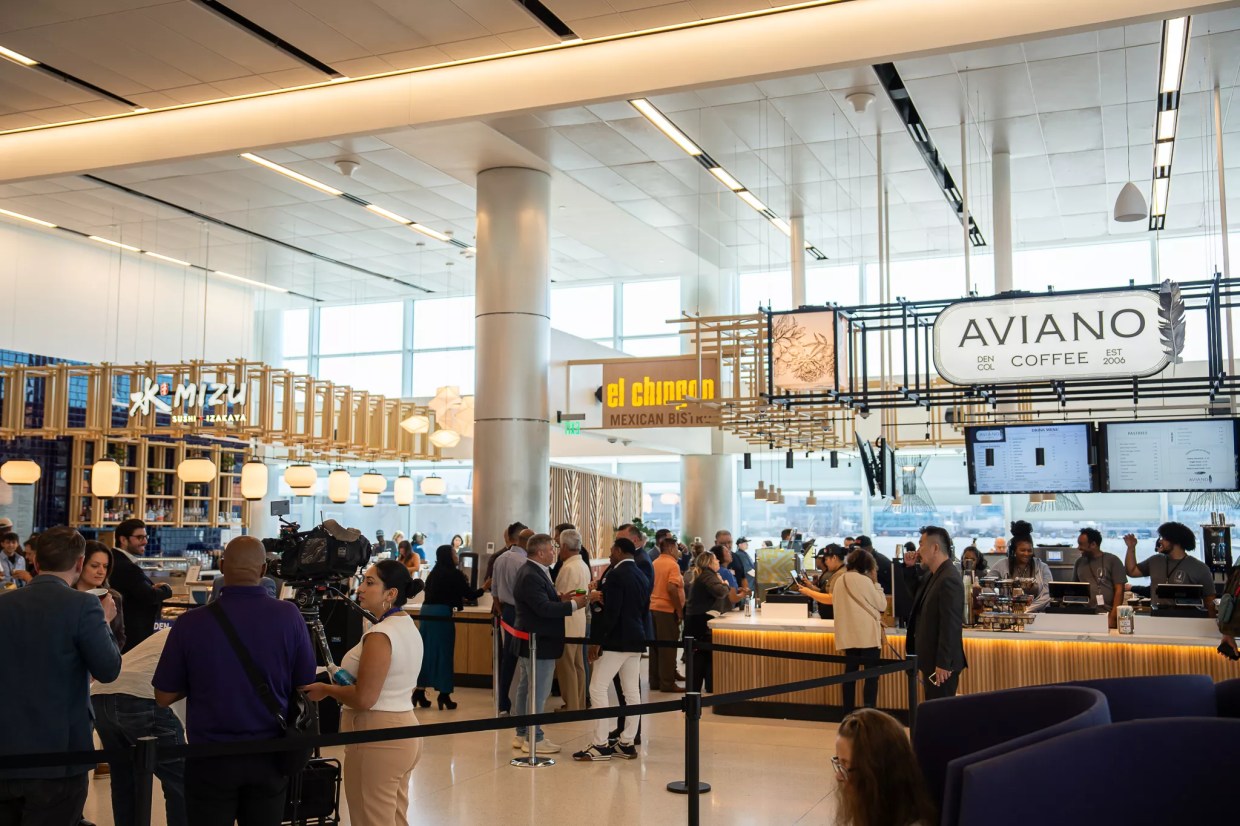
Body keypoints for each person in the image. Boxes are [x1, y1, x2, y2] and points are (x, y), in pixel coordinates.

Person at [153, 536, 316, 826]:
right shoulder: (289, 615)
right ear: (264, 569)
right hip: (269, 754)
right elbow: (305, 683)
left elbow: (163, 696)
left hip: (209, 756)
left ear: (221, 565)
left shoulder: (190, 622)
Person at [0, 527, 122, 826]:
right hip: (60, 753)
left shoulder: (4, 604)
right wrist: (105, 622)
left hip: (6, 749)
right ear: (79, 564)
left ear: (35, 563)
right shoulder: (84, 605)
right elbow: (108, 669)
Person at [302, 560, 423, 826]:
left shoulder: (380, 635)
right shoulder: (407, 625)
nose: (362, 589)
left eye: (371, 583)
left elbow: (364, 699)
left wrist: (325, 689)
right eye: (363, 581)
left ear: (391, 593)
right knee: (393, 817)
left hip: (376, 737)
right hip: (405, 729)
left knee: (370, 818)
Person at [91, 629, 187, 826]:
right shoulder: (209, 629)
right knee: (181, 782)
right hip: (144, 694)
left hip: (102, 693)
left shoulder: (179, 628)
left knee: (124, 781)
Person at [574, 537, 651, 762]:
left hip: (616, 640)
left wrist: (596, 642)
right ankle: (626, 742)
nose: (609, 555)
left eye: (611, 551)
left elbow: (611, 613)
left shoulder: (616, 575)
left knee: (597, 688)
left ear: (618, 550)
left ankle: (600, 744)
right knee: (631, 692)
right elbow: (641, 609)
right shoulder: (641, 574)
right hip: (635, 638)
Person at [510, 534, 588, 754]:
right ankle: (534, 737)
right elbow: (542, 609)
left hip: (533, 639)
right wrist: (573, 605)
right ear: (541, 552)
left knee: (526, 687)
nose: (555, 552)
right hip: (538, 641)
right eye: (551, 549)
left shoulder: (534, 571)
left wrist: (561, 599)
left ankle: (522, 732)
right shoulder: (531, 574)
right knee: (538, 690)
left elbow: (543, 601)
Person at [835, 709, 938, 826]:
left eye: (846, 765)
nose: (838, 776)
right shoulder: (872, 811)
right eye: (838, 763)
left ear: (875, 771)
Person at [415, 545, 484, 710]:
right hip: (441, 614)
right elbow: (469, 595)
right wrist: (485, 587)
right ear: (448, 555)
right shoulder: (454, 574)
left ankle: (419, 691)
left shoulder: (433, 574)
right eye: (454, 553)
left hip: (426, 613)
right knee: (444, 653)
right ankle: (444, 694)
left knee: (426, 653)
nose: (456, 555)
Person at [906, 526, 966, 700]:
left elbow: (951, 625)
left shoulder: (949, 578)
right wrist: (910, 569)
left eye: (921, 544)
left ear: (935, 548)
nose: (918, 551)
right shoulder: (932, 575)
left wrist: (943, 663)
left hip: (941, 665)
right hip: (930, 660)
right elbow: (916, 599)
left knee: (941, 714)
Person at [830, 549, 888, 714]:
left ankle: (847, 712)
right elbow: (882, 605)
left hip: (848, 636)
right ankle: (868, 712)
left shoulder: (840, 580)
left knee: (849, 676)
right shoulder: (865, 581)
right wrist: (876, 583)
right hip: (868, 636)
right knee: (871, 678)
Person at [1124, 522, 1217, 616]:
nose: (1160, 541)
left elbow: (1210, 600)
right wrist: (1131, 548)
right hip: (1158, 618)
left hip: (1188, 621)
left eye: (1163, 538)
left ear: (1175, 540)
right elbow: (1132, 571)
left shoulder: (1200, 568)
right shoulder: (1155, 560)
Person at [109, 518, 172, 652]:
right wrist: (166, 589)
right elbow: (150, 596)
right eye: (139, 537)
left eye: (145, 536)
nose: (145, 541)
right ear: (123, 540)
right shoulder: (127, 567)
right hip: (132, 636)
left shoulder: (113, 559)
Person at [682, 550, 741, 693]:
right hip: (700, 621)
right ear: (709, 562)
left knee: (704, 655)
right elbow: (720, 591)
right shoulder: (708, 575)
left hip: (697, 620)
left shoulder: (705, 575)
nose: (718, 562)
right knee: (700, 657)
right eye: (716, 560)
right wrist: (725, 584)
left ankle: (705, 687)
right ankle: (695, 690)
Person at [490, 526, 532, 715]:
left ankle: (503, 702)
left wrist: (500, 609)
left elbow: (494, 590)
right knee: (525, 658)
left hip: (506, 612)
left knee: (507, 659)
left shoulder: (500, 559)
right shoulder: (525, 562)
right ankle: (525, 703)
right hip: (521, 613)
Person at [553, 530, 591, 711]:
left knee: (567, 666)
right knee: (578, 665)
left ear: (565, 547)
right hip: (579, 621)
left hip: (567, 622)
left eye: (559, 546)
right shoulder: (582, 564)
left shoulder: (568, 567)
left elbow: (562, 597)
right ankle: (580, 702)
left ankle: (572, 705)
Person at [649, 534, 686, 693]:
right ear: (671, 548)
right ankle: (668, 683)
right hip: (666, 610)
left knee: (656, 648)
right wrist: (679, 610)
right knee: (668, 648)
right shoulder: (673, 565)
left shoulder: (655, 562)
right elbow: (672, 588)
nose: (678, 552)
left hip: (653, 608)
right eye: (677, 548)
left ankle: (655, 681)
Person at [990, 521, 1053, 613]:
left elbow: (1047, 594)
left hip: (1036, 616)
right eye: (1022, 550)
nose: (1026, 554)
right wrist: (1002, 606)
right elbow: (986, 585)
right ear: (1014, 550)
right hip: (1008, 616)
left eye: (1029, 550)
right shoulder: (1002, 564)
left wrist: (1027, 610)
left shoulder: (1042, 567)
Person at [76, 540, 127, 651]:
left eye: (105, 566)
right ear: (81, 565)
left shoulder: (113, 597)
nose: (101, 571)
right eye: (95, 566)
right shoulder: (69, 596)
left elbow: (120, 637)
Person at [1074, 528, 1127, 628]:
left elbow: (1119, 590)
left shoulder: (1113, 560)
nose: (1078, 547)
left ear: (1093, 544)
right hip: (1084, 615)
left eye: (1081, 544)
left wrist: (1113, 616)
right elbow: (1075, 589)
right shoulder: (1079, 563)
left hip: (1107, 614)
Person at [798, 544, 847, 619]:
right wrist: (811, 586)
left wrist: (809, 592)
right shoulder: (837, 572)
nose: (825, 563)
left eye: (826, 559)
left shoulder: (840, 574)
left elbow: (831, 598)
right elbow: (824, 592)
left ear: (834, 558)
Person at [894, 541, 925, 626]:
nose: (918, 551)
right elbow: (912, 593)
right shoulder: (925, 573)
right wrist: (910, 567)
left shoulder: (945, 576)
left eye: (921, 545)